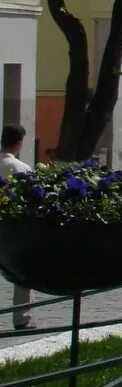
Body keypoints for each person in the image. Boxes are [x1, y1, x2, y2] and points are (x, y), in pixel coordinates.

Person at [1, 124, 34, 330]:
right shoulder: (21, 169)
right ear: (19, 143)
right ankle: (22, 319)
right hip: (11, 230)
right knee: (22, 273)